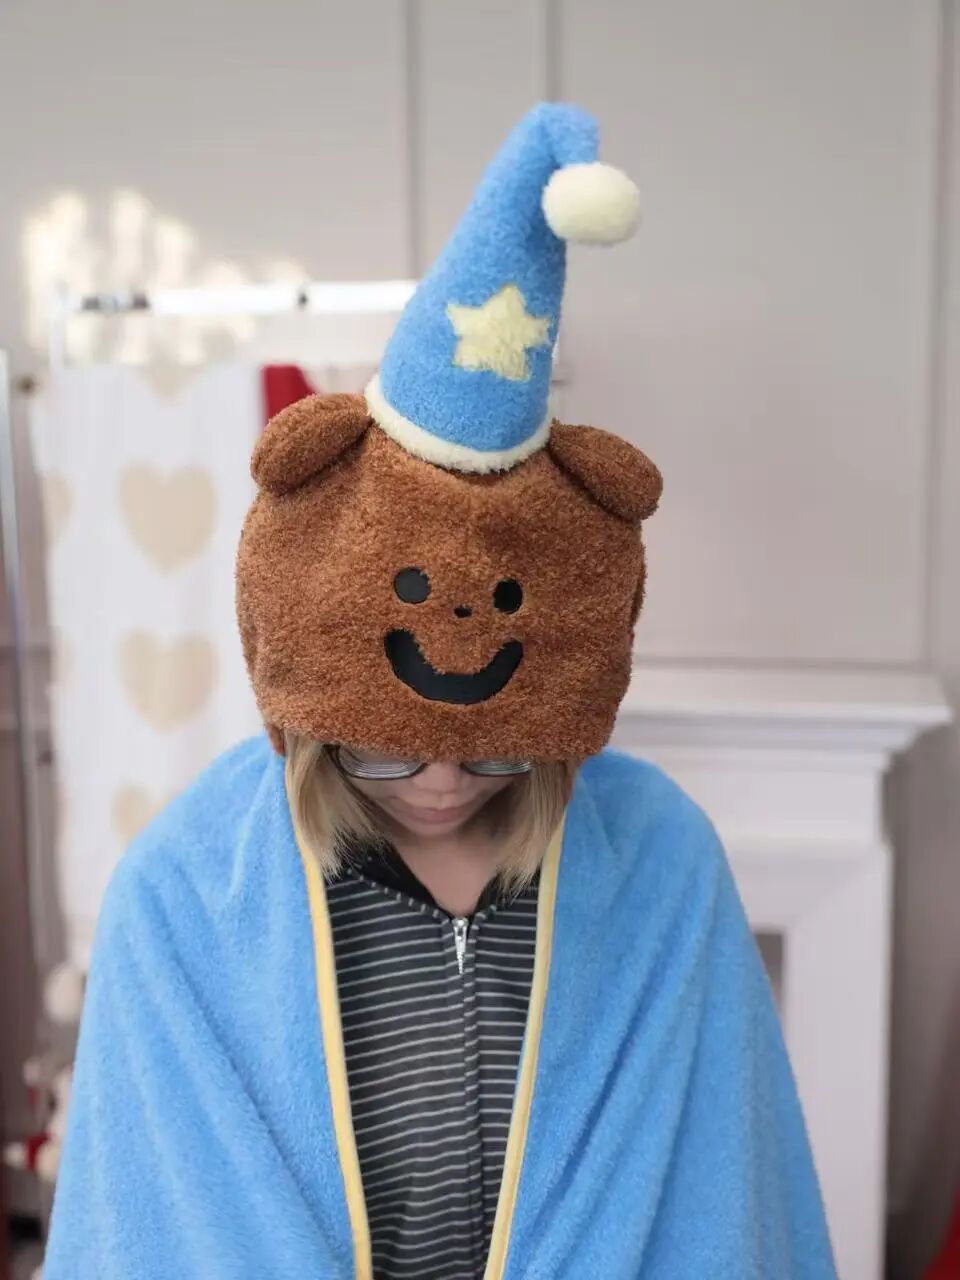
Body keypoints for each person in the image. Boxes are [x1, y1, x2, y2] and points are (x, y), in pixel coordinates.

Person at [44, 103, 837, 1278]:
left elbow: (725, 1194)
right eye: (388, 750)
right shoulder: (186, 893)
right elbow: (163, 1214)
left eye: (499, 752)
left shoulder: (663, 861)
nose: (443, 786)